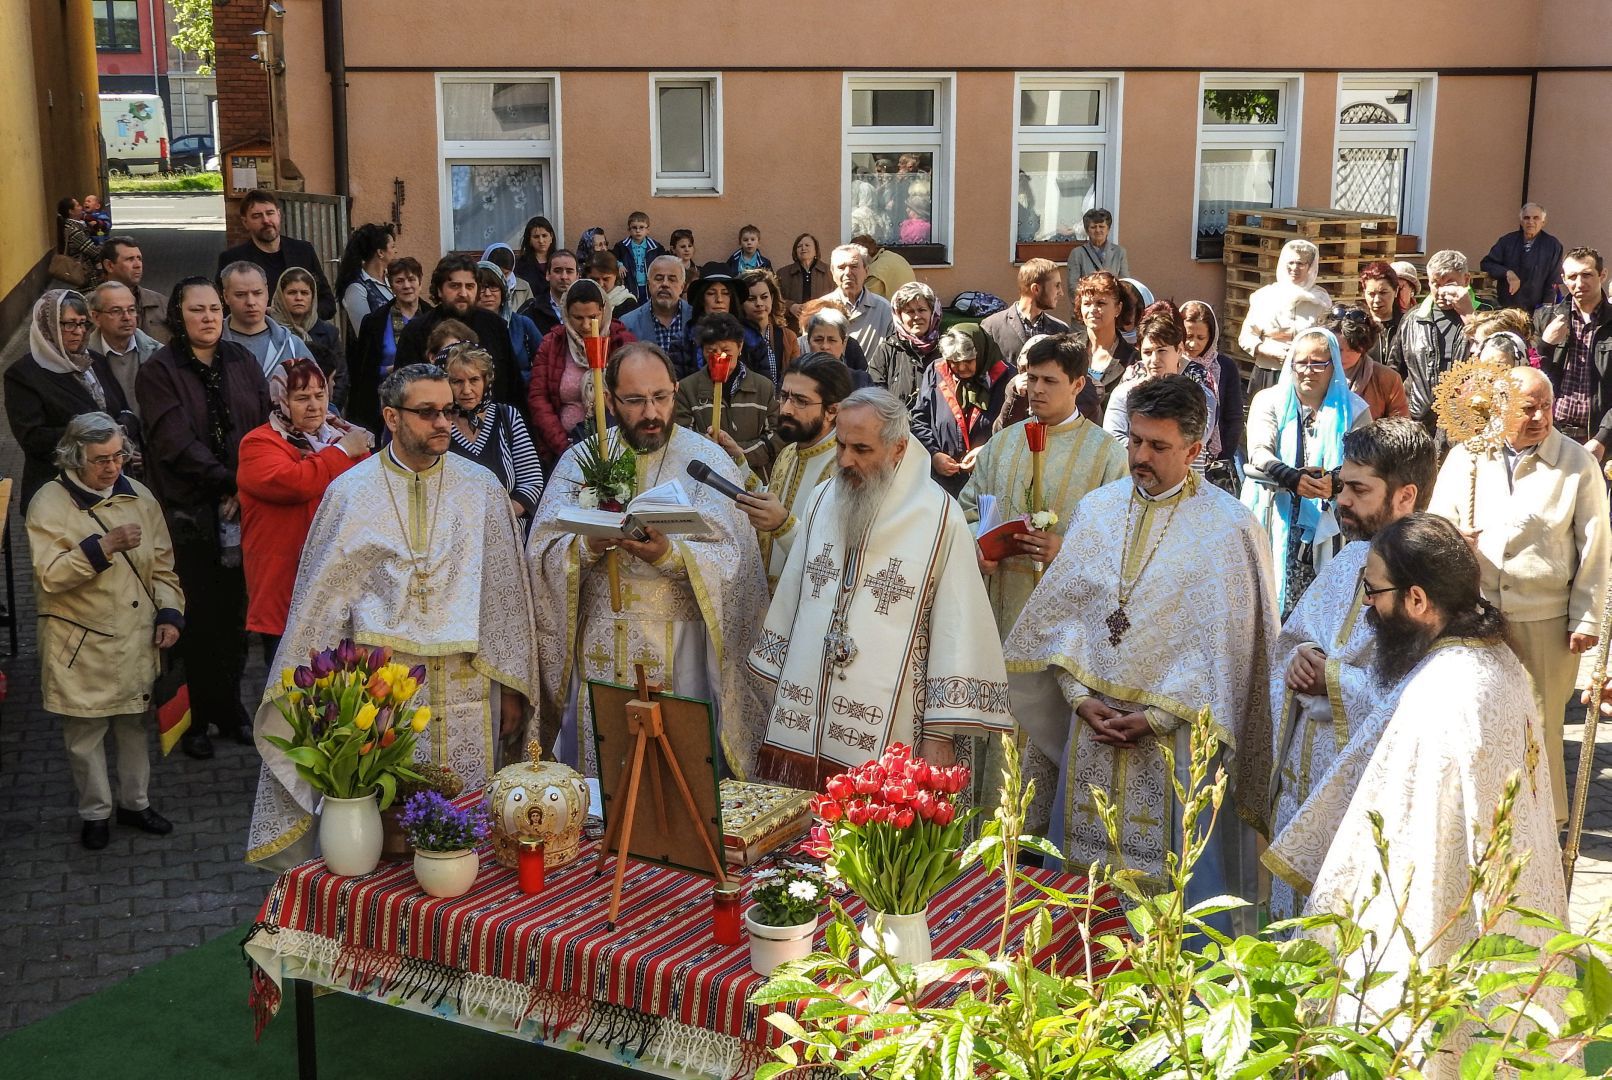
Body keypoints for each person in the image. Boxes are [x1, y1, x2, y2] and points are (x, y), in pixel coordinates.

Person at [1003, 376, 1277, 932]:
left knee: (1172, 900)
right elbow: (1064, 619)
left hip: (1177, 741)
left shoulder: (1230, 528)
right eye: (1135, 441)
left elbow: (1232, 654)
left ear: (1195, 450)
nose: (1141, 457)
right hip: (1092, 735)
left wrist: (1154, 716)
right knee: (1076, 895)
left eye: (1158, 446)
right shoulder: (1098, 510)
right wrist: (1078, 698)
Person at [246, 364, 541, 870]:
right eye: (427, 412)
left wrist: (513, 686)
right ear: (391, 416)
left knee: (469, 831)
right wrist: (321, 697)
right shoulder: (350, 492)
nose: (443, 422)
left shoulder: (483, 488)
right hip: (386, 688)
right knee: (389, 842)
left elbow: (505, 595)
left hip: (470, 682)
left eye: (448, 410)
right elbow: (321, 605)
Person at [1292, 514, 1565, 1054]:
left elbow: (1412, 840)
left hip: (1442, 921)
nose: (1367, 604)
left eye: (1373, 590)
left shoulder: (1445, 691)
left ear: (1417, 600)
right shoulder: (1495, 658)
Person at [748, 388, 1012, 787]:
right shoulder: (822, 500)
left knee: (881, 833)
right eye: (839, 445)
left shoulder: (939, 517)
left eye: (861, 449)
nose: (845, 460)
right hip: (812, 703)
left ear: (898, 448)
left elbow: (958, 625)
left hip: (896, 713)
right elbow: (796, 592)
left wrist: (939, 734)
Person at [527, 342, 769, 778]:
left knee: (676, 777)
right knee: (601, 774)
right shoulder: (579, 460)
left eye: (661, 397)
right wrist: (588, 546)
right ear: (609, 400)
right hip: (599, 641)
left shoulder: (705, 459)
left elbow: (736, 559)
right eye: (635, 401)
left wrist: (672, 555)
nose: (651, 412)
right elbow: (541, 551)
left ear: (675, 390)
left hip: (680, 650)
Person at [1264, 418, 1435, 919]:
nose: (1341, 500)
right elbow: (1297, 640)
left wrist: (1332, 679)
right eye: (1343, 486)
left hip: (1364, 798)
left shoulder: (1432, 582)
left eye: (1360, 490)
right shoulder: (1350, 559)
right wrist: (1299, 660)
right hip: (1303, 784)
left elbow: (1422, 701)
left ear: (1406, 496)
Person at [960, 334, 1128, 829]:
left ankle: (1037, 838)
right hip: (1001, 611)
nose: (1036, 389)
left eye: (1049, 381)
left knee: (1044, 735)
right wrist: (980, 547)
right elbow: (969, 508)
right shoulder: (1005, 442)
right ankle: (985, 832)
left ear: (1078, 384)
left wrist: (1064, 552)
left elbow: (1120, 543)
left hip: (1066, 628)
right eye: (1030, 378)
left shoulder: (1105, 454)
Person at [1428, 366, 1609, 824]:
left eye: (1546, 406)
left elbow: (1595, 546)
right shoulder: (1467, 459)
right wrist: (1455, 540)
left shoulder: (1576, 463)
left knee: (1540, 727)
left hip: (1545, 620)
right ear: (1500, 407)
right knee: (1479, 719)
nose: (1541, 418)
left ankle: (1542, 828)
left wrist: (1586, 618)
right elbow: (1435, 526)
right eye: (1528, 408)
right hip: (1474, 614)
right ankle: (1480, 823)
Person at [27, 413, 183, 850]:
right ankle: (95, 813)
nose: (113, 467)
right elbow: (50, 576)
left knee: (134, 725)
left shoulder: (141, 498)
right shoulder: (48, 504)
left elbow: (165, 569)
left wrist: (170, 615)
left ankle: (136, 804)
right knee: (84, 736)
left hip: (134, 638)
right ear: (75, 456)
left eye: (119, 456)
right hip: (80, 644)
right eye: (101, 460)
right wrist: (103, 546)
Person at [137, 277, 270, 758]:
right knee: (192, 614)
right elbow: (172, 441)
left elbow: (261, 426)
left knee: (233, 615)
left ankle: (229, 707)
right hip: (187, 510)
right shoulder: (158, 370)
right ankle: (190, 720)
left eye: (215, 308)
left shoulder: (242, 361)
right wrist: (228, 481)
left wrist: (248, 480)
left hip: (240, 509)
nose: (209, 317)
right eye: (198, 310)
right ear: (178, 315)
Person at [237, 358, 371, 658]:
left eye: (319, 395)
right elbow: (295, 483)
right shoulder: (258, 444)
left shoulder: (344, 436)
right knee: (288, 694)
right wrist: (341, 453)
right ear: (280, 400)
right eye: (301, 398)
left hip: (340, 589)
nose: (313, 406)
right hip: (285, 589)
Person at [1242, 327, 1371, 617]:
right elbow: (1259, 452)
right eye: (1301, 362)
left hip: (1335, 519)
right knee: (1272, 603)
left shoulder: (1354, 410)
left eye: (1318, 363)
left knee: (1326, 606)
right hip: (1276, 512)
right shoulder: (1269, 401)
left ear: (1333, 365)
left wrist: (1334, 482)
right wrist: (1292, 478)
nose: (1308, 371)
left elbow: (1364, 463)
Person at [728, 353, 853, 589]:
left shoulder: (845, 466)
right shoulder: (788, 453)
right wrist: (739, 464)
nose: (785, 409)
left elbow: (836, 555)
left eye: (800, 401)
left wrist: (783, 525)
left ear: (832, 410)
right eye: (784, 396)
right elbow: (775, 496)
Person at [7, 291, 133, 511]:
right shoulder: (24, 375)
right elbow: (33, 438)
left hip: (110, 486)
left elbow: (124, 411)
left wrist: (120, 432)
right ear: (47, 326)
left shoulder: (95, 362)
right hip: (60, 494)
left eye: (83, 324)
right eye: (69, 324)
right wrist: (97, 439)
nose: (79, 331)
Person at [527, 279, 635, 464]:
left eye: (593, 317)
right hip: (565, 448)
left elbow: (635, 391)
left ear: (604, 310)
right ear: (567, 315)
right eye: (578, 318)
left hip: (618, 444)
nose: (586, 326)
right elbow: (539, 398)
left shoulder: (621, 341)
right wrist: (563, 445)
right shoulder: (552, 344)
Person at [394, 255, 523, 407]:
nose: (463, 293)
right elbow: (404, 390)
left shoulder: (494, 325)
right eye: (455, 286)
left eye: (469, 286)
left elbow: (513, 385)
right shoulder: (416, 331)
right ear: (439, 290)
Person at [440, 344, 544, 521]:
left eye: (474, 380)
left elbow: (531, 480)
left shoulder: (507, 416)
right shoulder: (438, 423)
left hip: (505, 530)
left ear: (486, 380)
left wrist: (498, 517)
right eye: (457, 381)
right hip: (451, 532)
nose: (466, 390)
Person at [1102, 304, 1218, 460]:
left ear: (1179, 350)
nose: (1154, 360)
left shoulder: (1202, 396)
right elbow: (1113, 438)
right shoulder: (1123, 393)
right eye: (1148, 352)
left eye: (1162, 351)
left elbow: (1197, 438)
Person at [674, 313, 779, 475]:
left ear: (740, 347)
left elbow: (776, 437)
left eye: (726, 351)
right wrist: (706, 446)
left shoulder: (763, 388)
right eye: (711, 351)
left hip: (753, 477)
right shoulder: (687, 389)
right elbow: (681, 437)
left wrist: (738, 452)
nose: (719, 357)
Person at [1395, 249, 1484, 437]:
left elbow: (1494, 361)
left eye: (1449, 283)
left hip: (1464, 422)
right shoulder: (1413, 318)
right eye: (1435, 284)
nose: (1442, 291)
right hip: (1418, 420)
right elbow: (1395, 370)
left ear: (1466, 280)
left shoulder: (1487, 314)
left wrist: (1468, 314)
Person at [911, 326, 1009, 495]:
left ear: (981, 354)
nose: (961, 368)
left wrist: (987, 451)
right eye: (954, 362)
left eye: (968, 361)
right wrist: (933, 454)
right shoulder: (936, 371)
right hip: (943, 480)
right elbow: (919, 419)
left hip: (990, 479)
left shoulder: (1005, 377)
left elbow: (1014, 428)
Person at [1534, 247, 1612, 455]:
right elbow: (1528, 375)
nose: (1579, 283)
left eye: (1587, 274)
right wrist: (1545, 345)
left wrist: (1603, 438)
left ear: (1602, 275)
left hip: (1598, 440)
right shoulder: (1544, 318)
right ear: (1563, 279)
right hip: (1551, 434)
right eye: (1572, 276)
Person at [216, 190, 337, 320]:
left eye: (270, 213)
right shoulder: (233, 259)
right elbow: (222, 308)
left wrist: (301, 316)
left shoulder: (303, 251)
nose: (266, 220)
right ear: (245, 222)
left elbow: (328, 302)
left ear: (279, 215)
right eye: (257, 216)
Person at [1239, 239, 1332, 398]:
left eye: (1301, 264)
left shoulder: (1320, 300)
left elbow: (1328, 340)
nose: (1295, 268)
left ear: (1310, 267)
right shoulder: (1265, 296)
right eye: (1291, 262)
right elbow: (1246, 337)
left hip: (1307, 375)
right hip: (1268, 372)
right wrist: (1269, 352)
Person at [347, 256, 428, 431]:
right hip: (383, 406)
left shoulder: (435, 319)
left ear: (420, 282)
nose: (406, 286)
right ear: (391, 286)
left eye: (411, 279)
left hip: (426, 403)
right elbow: (362, 370)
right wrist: (387, 370)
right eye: (399, 281)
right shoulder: (374, 322)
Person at [1180, 300, 1244, 482]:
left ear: (1211, 336)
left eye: (1201, 338)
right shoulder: (1173, 363)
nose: (1192, 344)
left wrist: (1223, 455)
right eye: (1188, 336)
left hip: (1215, 460)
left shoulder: (1224, 366)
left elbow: (1234, 416)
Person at [219, 261, 314, 379]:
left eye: (257, 293)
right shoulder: (211, 344)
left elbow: (315, 392)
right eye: (240, 295)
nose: (251, 302)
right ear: (226, 297)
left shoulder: (292, 345)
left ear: (267, 292)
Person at [269, 267, 346, 410]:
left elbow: (340, 377)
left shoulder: (328, 332)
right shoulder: (270, 329)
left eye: (304, 293)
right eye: (292, 292)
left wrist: (326, 408)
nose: (299, 298)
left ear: (313, 296)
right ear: (280, 295)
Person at [86, 281, 161, 416]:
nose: (126, 317)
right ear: (96, 317)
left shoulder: (157, 353)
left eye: (131, 310)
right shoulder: (84, 360)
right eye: (116, 311)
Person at [981, 259, 1069, 373]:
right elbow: (983, 377)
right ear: (1036, 289)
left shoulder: (1061, 330)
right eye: (1057, 286)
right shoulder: (992, 326)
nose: (1061, 292)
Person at [1325, 306, 1408, 420]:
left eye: (1353, 349)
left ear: (1364, 348)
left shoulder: (1388, 379)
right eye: (1337, 350)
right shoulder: (1314, 371)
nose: (1343, 356)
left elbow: (1401, 427)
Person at [868, 281, 944, 405]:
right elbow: (874, 395)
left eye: (922, 310)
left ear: (933, 313)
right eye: (910, 311)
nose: (916, 316)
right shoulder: (887, 350)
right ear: (899, 316)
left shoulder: (945, 349)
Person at [620, 255, 697, 378]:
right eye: (659, 278)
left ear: (682, 286)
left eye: (672, 279)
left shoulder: (697, 319)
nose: (665, 284)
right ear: (649, 284)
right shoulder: (628, 324)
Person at [1480, 202, 1564, 312]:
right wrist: (1507, 272)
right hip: (1508, 308)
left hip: (1537, 309)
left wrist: (1546, 310)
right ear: (1521, 221)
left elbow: (1553, 281)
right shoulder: (1507, 241)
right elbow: (1486, 264)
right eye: (1526, 218)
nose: (1531, 222)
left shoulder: (1553, 245)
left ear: (1543, 222)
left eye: (1536, 218)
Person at [1074, 271, 1136, 409]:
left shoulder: (1133, 358)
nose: (1093, 309)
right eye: (1087, 303)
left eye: (1100, 303)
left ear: (1118, 309)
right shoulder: (1066, 348)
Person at [821, 244, 894, 358]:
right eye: (841, 267)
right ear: (832, 272)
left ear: (866, 271)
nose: (847, 272)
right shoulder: (821, 308)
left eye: (854, 266)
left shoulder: (885, 310)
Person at [474, 263, 542, 384]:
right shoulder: (464, 327)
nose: (488, 293)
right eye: (481, 288)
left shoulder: (522, 324)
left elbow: (545, 362)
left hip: (522, 396)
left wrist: (526, 379)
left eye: (494, 287)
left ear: (503, 290)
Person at [98, 236, 170, 343]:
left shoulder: (162, 304)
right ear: (109, 265)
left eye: (139, 258)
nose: (138, 265)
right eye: (130, 259)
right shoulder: (89, 306)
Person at [333, 222, 396, 336]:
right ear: (380, 252)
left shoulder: (391, 279)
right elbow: (364, 333)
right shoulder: (356, 288)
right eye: (392, 246)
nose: (395, 251)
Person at [739, 268, 798, 386]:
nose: (759, 303)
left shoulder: (788, 336)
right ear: (740, 303)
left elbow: (795, 377)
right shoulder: (735, 336)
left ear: (772, 297)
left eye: (764, 297)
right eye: (751, 299)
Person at [798, 303, 872, 387]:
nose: (825, 346)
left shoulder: (860, 381)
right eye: (818, 340)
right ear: (808, 341)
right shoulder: (796, 379)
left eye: (832, 340)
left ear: (843, 343)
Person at [518, 248, 579, 339]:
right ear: (547, 274)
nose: (564, 277)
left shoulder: (589, 308)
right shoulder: (531, 309)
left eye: (569, 271)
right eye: (557, 271)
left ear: (578, 276)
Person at [1356, 261, 1404, 366]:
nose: (1377, 300)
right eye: (1371, 294)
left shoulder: (1406, 325)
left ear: (1395, 291)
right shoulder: (1357, 325)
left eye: (1383, 293)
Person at [1066, 208, 1130, 282]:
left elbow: (1125, 283)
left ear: (1108, 229)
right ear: (1087, 231)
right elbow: (1073, 286)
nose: (1097, 230)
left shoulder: (1119, 252)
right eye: (1093, 227)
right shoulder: (1077, 254)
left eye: (1101, 226)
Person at [611, 211, 663, 302]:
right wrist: (619, 265)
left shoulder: (655, 247)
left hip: (649, 286)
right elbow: (612, 258)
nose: (638, 231)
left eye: (641, 227)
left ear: (648, 230)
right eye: (634, 228)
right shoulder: (622, 246)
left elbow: (664, 261)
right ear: (629, 230)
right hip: (630, 285)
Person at [778, 233, 830, 322]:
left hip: (823, 324)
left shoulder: (830, 271)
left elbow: (838, 297)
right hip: (793, 325)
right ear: (795, 251)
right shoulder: (782, 273)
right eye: (799, 246)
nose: (803, 248)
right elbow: (775, 299)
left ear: (815, 250)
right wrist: (790, 307)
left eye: (807, 245)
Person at [850, 235, 915, 300]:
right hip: (912, 302)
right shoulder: (891, 255)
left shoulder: (875, 271)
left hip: (897, 307)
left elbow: (866, 301)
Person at [56, 196, 102, 285]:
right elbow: (92, 250)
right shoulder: (73, 230)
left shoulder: (76, 226)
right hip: (84, 271)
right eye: (78, 205)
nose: (81, 207)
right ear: (71, 211)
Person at [481, 242, 533, 314]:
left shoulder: (524, 287)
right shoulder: (478, 286)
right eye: (497, 273)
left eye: (506, 273)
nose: (501, 278)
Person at [586, 250, 639, 319]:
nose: (600, 284)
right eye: (595, 279)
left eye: (606, 279)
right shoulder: (581, 300)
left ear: (616, 276)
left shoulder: (628, 304)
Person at [513, 215, 556, 295]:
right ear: (529, 240)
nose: (541, 241)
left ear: (551, 237)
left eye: (544, 235)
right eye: (536, 237)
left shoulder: (559, 260)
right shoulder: (520, 265)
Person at [669, 228, 698, 293]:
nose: (687, 249)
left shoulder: (699, 271)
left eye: (690, 246)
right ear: (673, 249)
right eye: (682, 246)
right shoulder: (668, 272)